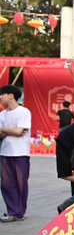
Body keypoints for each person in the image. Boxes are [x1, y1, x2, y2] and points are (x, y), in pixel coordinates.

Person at [0, 84, 31, 223]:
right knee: (6, 183)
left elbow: (20, 132)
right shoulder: (2, 114)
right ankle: (12, 211)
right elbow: (13, 132)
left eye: (2, 94)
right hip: (5, 152)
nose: (1, 97)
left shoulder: (24, 112)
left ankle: (19, 211)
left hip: (21, 153)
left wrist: (5, 130)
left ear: (11, 96)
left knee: (21, 183)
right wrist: (12, 130)